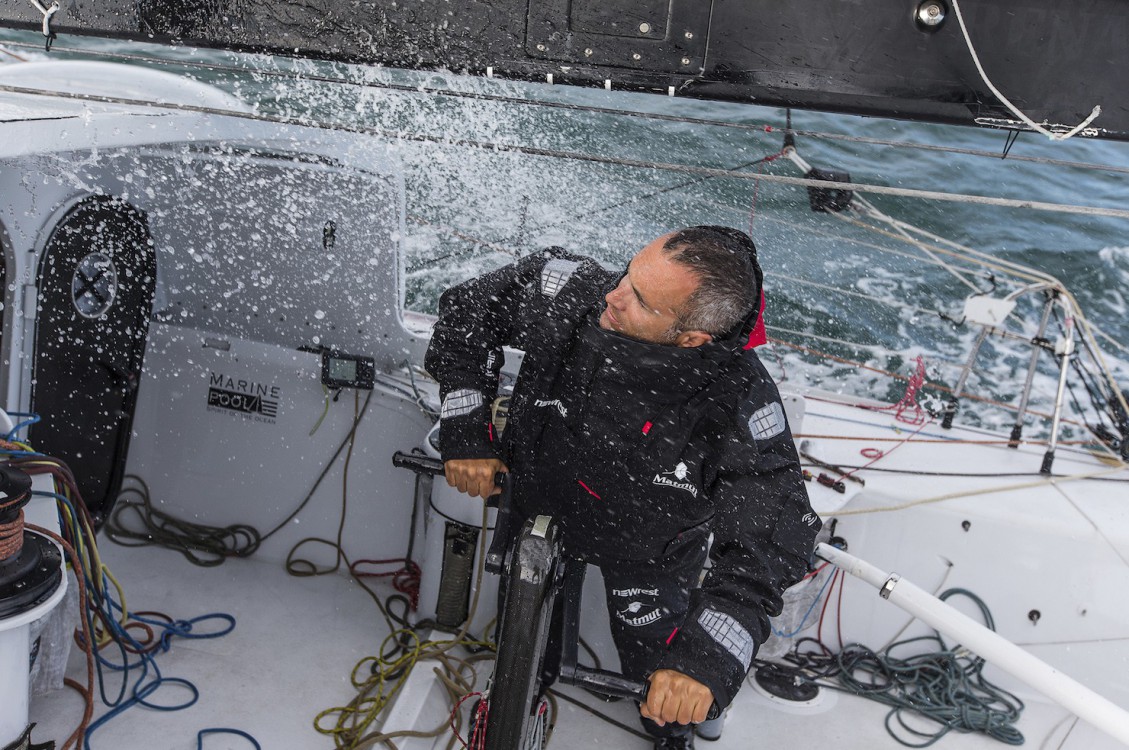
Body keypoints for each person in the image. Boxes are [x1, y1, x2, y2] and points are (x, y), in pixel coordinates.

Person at [425, 226, 820, 749]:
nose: (612, 294)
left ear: (691, 338)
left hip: (649, 548)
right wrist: (466, 431)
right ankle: (525, 687)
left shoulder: (740, 398)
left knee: (655, 657)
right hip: (536, 509)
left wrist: (705, 660)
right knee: (522, 639)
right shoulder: (567, 291)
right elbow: (465, 317)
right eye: (629, 273)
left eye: (638, 299)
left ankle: (667, 731)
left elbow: (769, 541)